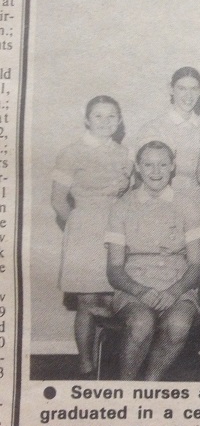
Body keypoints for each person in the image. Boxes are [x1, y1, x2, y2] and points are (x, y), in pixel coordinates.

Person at [105, 141, 200, 381]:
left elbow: (196, 265)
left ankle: (151, 384)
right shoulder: (122, 207)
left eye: (163, 164)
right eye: (148, 165)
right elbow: (114, 269)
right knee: (141, 323)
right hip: (134, 285)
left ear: (172, 166)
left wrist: (175, 291)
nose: (156, 171)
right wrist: (140, 290)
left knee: (179, 324)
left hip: (177, 283)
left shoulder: (189, 205)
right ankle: (126, 388)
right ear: (138, 168)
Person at [51, 95, 132, 374]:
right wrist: (79, 226)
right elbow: (58, 201)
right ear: (87, 119)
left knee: (113, 299)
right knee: (87, 302)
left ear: (119, 121)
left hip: (116, 232)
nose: (105, 122)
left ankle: (110, 364)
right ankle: (86, 364)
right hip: (84, 233)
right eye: (98, 116)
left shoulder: (124, 153)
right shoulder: (70, 152)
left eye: (111, 116)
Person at [134, 67, 200, 203]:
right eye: (182, 88)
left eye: (194, 89)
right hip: (165, 203)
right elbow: (142, 178)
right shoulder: (154, 128)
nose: (188, 96)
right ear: (171, 89)